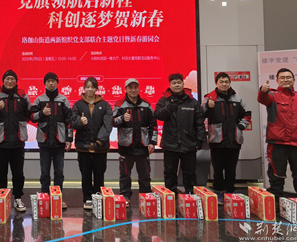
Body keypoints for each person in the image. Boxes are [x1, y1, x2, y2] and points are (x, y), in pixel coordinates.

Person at [258, 68, 297, 200]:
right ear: (277, 80)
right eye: (282, 78)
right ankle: (276, 203)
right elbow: (262, 99)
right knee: (276, 176)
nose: (285, 80)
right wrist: (263, 91)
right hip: (277, 143)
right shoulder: (272, 95)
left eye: (288, 77)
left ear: (293, 80)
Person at [0, 70, 31, 212]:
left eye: (12, 79)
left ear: (16, 81)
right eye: (7, 79)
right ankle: (1, 198)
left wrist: (20, 126)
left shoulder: (23, 97)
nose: (9, 81)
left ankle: (18, 198)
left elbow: (29, 115)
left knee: (18, 174)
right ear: (3, 81)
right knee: (0, 174)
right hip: (0, 142)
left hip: (18, 142)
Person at [203, 72, 251, 203]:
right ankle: (218, 192)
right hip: (217, 140)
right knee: (217, 169)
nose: (224, 84)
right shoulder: (209, 98)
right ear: (216, 83)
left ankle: (230, 192)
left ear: (229, 83)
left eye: (226, 82)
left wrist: (240, 127)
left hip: (234, 140)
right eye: (221, 82)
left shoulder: (237, 99)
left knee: (231, 168)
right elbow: (201, 114)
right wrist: (208, 107)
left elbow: (247, 114)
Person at [155, 73, 206, 195]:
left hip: (188, 143)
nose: (177, 85)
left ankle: (190, 195)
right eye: (174, 83)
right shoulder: (164, 100)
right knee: (170, 172)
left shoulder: (192, 101)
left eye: (179, 82)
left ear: (183, 84)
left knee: (190, 173)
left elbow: (199, 122)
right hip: (170, 143)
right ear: (170, 85)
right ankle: (170, 195)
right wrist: (168, 109)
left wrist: (200, 139)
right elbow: (157, 115)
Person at [30, 72, 73, 209]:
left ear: (57, 83)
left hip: (59, 141)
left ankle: (58, 198)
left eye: (53, 81)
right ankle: (44, 197)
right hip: (44, 141)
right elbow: (31, 117)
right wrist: (42, 113)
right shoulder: (39, 100)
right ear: (45, 83)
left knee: (59, 172)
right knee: (45, 172)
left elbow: (69, 121)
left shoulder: (63, 100)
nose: (50, 83)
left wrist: (69, 139)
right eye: (48, 81)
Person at [113, 78, 157, 207]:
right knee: (125, 175)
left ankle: (146, 196)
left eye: (135, 87)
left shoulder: (146, 105)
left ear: (138, 88)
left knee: (145, 175)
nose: (133, 90)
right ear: (125, 89)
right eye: (130, 87)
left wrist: (152, 142)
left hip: (143, 147)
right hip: (126, 147)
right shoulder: (119, 104)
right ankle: (125, 196)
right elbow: (112, 122)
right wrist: (122, 118)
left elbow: (153, 126)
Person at [72, 77, 113, 210]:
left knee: (99, 174)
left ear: (96, 89)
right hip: (83, 147)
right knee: (85, 174)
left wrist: (99, 141)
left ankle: (98, 197)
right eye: (87, 87)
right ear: (84, 88)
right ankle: (87, 198)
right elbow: (72, 123)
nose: (90, 89)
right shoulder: (78, 105)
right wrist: (80, 122)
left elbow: (107, 125)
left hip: (100, 147)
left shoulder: (105, 105)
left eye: (92, 87)